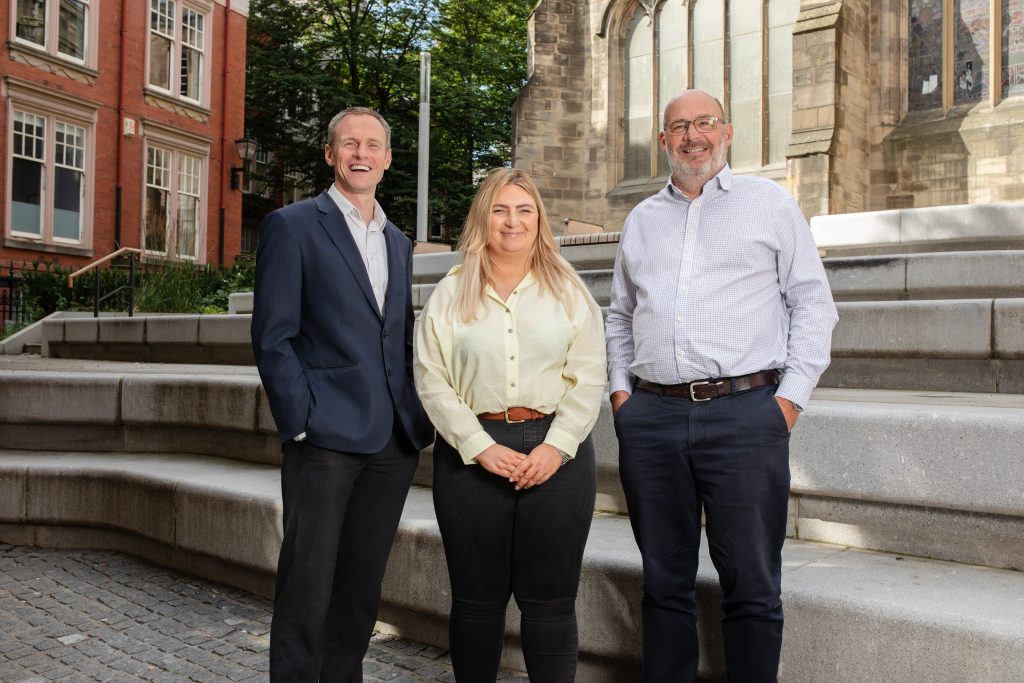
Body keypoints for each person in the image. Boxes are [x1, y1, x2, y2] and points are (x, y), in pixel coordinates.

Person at [606, 89, 838, 681]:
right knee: (663, 581)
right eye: (679, 127)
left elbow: (813, 302)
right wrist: (621, 396)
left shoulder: (771, 205)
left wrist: (788, 401)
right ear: (663, 140)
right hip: (652, 418)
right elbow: (620, 315)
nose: (692, 136)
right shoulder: (642, 219)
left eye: (704, 123)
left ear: (727, 131)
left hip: (746, 415)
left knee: (752, 584)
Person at [251, 106, 433, 682]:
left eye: (373, 145)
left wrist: (414, 416)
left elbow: (397, 335)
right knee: (308, 581)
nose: (362, 154)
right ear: (330, 155)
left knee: (360, 585)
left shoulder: (398, 241)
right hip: (324, 436)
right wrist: (299, 420)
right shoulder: (293, 225)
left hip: (391, 442)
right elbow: (272, 336)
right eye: (349, 144)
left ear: (387, 158)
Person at [414, 168, 606, 682]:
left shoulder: (568, 289)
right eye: (500, 209)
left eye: (524, 210)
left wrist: (555, 447)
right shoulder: (450, 294)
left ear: (538, 219)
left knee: (550, 603)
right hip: (473, 458)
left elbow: (589, 378)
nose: (512, 220)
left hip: (557, 456)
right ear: (483, 218)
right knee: (477, 602)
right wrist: (478, 447)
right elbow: (432, 380)